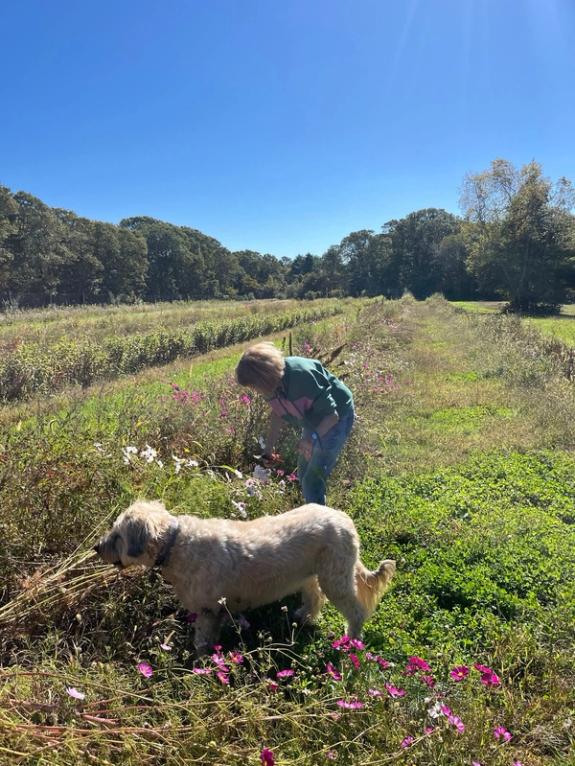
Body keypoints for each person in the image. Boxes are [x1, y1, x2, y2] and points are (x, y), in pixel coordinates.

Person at [236, 342, 354, 506]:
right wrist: (268, 450)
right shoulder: (269, 386)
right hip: (313, 421)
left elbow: (331, 416)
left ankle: (320, 527)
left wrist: (311, 439)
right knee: (303, 471)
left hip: (336, 417)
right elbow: (277, 413)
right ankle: (314, 513)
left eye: (254, 386)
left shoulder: (302, 376)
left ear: (265, 377)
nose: (255, 391)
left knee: (312, 481)